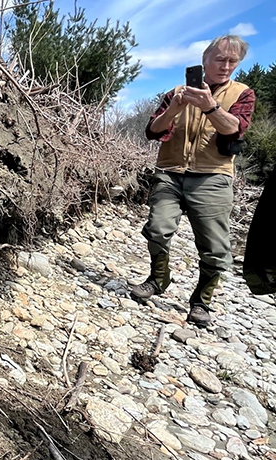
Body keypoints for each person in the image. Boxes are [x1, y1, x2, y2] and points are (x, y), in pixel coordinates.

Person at [130, 34, 256, 327]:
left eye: (232, 61)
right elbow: (152, 131)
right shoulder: (177, 91)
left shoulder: (242, 93)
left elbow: (235, 130)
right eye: (220, 59)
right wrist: (174, 109)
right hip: (170, 170)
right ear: (204, 60)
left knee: (214, 246)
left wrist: (211, 107)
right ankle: (158, 279)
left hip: (213, 176)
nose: (226, 66)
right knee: (157, 228)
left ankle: (201, 302)